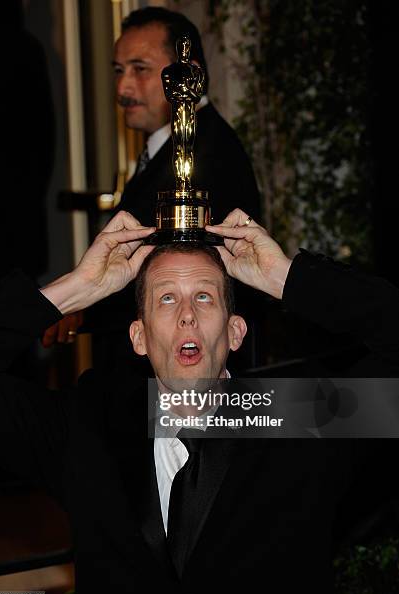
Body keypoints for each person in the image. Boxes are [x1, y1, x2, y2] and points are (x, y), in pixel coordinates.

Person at [0, 207, 399, 594]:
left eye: (204, 296)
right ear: (139, 337)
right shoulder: (88, 425)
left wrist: (289, 278)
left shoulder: (302, 416)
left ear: (235, 332)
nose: (187, 316)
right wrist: (75, 289)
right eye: (166, 299)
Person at [44, 6, 263, 372]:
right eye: (118, 71)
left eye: (140, 69)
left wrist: (79, 306)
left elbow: (189, 275)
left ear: (188, 74)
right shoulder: (166, 147)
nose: (122, 88)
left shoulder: (205, 156)